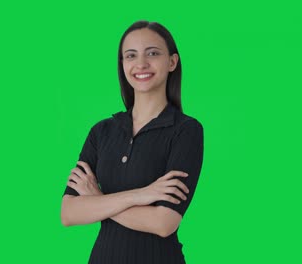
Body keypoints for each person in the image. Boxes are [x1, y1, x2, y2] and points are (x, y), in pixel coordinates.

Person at [60, 20, 204, 264]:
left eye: (153, 53)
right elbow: (69, 213)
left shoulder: (186, 131)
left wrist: (97, 198)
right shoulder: (101, 131)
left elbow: (163, 223)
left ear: (172, 62)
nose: (141, 64)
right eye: (131, 55)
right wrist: (141, 195)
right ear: (123, 64)